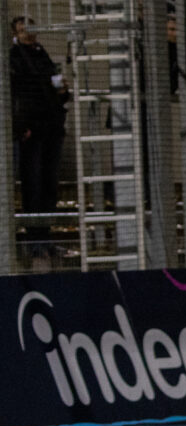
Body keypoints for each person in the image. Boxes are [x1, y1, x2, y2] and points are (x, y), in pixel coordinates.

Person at [10, 16, 69, 261]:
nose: (29, 33)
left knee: (49, 186)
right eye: (23, 30)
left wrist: (63, 91)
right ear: (16, 33)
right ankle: (34, 241)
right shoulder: (14, 56)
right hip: (31, 130)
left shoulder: (42, 53)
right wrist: (21, 125)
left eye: (31, 28)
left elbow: (54, 89)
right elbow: (17, 93)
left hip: (51, 127)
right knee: (33, 186)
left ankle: (46, 238)